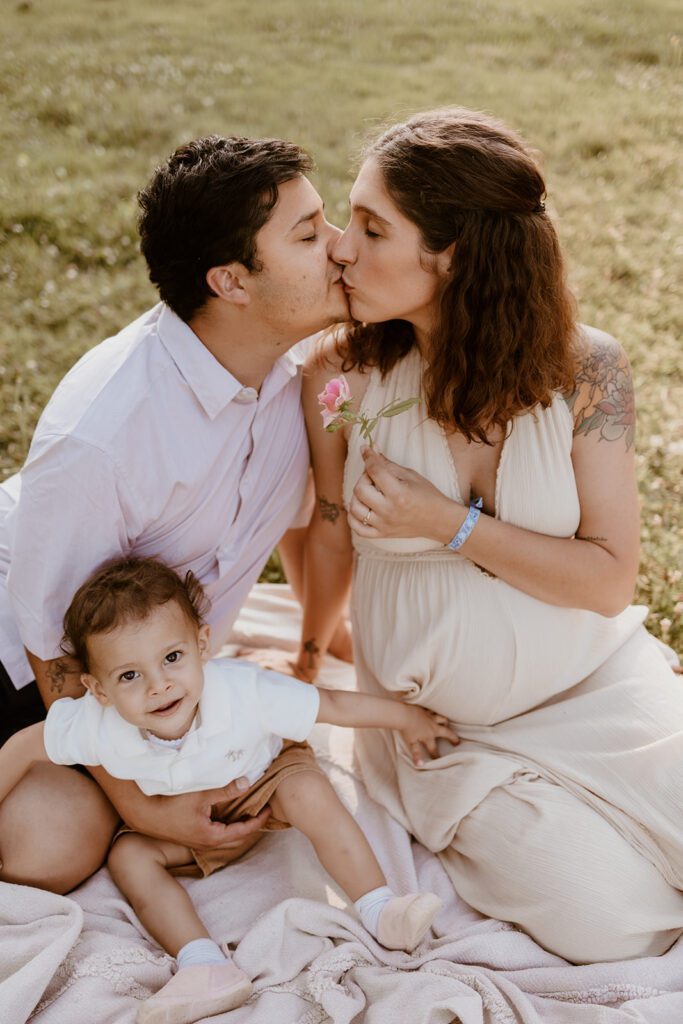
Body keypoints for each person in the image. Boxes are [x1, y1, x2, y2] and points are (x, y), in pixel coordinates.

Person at [294, 107, 683, 965]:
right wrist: (310, 649)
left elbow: (609, 579)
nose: (341, 247)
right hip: (444, 735)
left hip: (597, 686)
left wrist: (447, 524)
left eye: (371, 226)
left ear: (455, 254)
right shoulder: (340, 375)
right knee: (614, 921)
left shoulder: (587, 370)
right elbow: (326, 535)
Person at [0, 133, 352, 893]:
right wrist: (144, 805)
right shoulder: (105, 437)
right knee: (54, 846)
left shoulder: (294, 377)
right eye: (309, 233)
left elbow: (293, 521)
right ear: (230, 281)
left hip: (146, 671)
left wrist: (314, 650)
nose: (341, 246)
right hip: (31, 668)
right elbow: (51, 648)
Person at [0, 556, 452, 1023]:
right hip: (183, 820)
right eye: (130, 676)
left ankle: (380, 907)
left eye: (172, 658)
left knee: (307, 790)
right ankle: (205, 964)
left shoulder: (244, 691)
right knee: (129, 857)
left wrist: (406, 717)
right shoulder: (96, 723)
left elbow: (331, 704)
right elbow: (25, 744)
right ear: (98, 689)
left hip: (260, 784)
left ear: (201, 645)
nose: (160, 686)